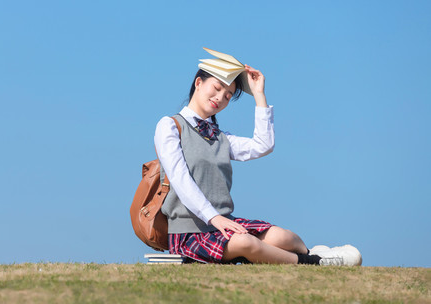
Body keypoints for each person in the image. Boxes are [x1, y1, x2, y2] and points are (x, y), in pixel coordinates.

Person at [154, 60, 362, 266]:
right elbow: (180, 180)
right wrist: (214, 218)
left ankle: (316, 253)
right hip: (190, 231)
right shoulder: (170, 126)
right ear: (198, 83)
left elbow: (263, 145)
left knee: (285, 238)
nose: (220, 98)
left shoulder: (220, 137)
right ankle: (315, 263)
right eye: (217, 88)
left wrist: (259, 94)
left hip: (225, 223)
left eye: (227, 96)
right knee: (246, 243)